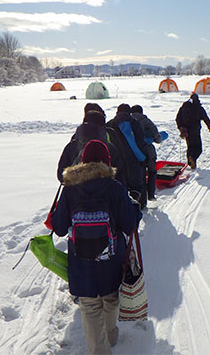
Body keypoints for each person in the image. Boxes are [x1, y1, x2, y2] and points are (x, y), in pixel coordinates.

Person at [51, 140, 142, 355]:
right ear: (107, 162)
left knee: (90, 306)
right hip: (111, 259)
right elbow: (129, 225)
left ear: (82, 162)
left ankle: (99, 349)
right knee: (110, 297)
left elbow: (60, 228)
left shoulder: (70, 189)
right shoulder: (115, 188)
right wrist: (135, 209)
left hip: (81, 261)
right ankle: (110, 338)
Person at [57, 107, 128, 186]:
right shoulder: (110, 148)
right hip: (107, 194)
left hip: (76, 195)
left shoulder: (72, 146)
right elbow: (120, 175)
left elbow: (61, 174)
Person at [106, 104, 150, 208]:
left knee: (120, 183)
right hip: (134, 158)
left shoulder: (109, 124)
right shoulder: (134, 123)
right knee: (138, 183)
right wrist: (145, 156)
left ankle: (122, 206)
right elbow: (141, 141)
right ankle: (140, 204)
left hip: (116, 159)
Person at [130, 104, 163, 201]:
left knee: (140, 174)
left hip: (133, 152)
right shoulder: (147, 121)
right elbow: (157, 138)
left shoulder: (128, 122)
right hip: (148, 151)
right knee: (152, 172)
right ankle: (151, 195)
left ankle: (140, 198)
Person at [175, 92, 210, 169]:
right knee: (198, 148)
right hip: (195, 131)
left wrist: (181, 128)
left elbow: (177, 119)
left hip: (186, 131)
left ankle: (190, 163)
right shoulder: (199, 108)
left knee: (190, 146)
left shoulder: (183, 108)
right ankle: (193, 158)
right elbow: (206, 119)